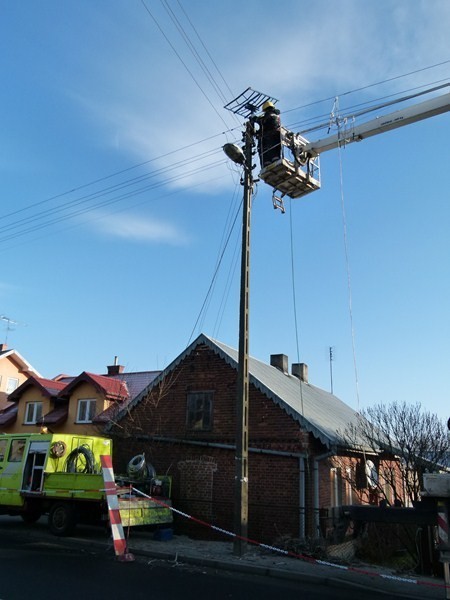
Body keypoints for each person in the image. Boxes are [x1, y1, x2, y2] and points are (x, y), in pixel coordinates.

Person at [257, 100, 281, 167]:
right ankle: (275, 160)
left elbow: (262, 122)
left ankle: (266, 163)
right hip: (276, 136)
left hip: (268, 136)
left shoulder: (268, 115)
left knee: (264, 149)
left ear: (265, 110)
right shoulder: (276, 115)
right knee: (275, 150)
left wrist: (255, 119)